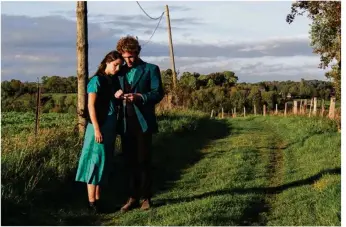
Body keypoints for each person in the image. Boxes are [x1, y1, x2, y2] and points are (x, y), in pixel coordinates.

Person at [114, 35, 164, 212]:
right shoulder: (119, 71)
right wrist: (117, 95)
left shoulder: (151, 69)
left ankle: (146, 197)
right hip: (124, 122)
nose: (129, 60)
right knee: (129, 161)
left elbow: (158, 93)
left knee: (143, 160)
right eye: (126, 56)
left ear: (138, 52)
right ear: (121, 54)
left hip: (143, 122)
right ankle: (132, 197)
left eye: (132, 55)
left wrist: (140, 97)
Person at [75, 50, 123, 213]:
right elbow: (91, 106)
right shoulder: (96, 80)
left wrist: (118, 96)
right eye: (115, 65)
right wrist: (96, 128)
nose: (117, 69)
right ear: (107, 62)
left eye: (119, 66)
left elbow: (111, 101)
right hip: (98, 127)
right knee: (94, 163)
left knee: (103, 163)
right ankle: (91, 203)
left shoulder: (112, 81)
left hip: (109, 128)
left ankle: (98, 201)